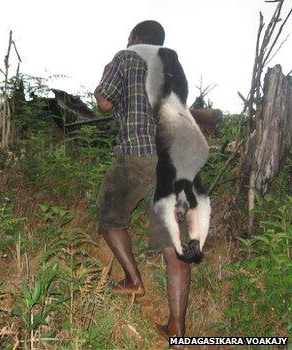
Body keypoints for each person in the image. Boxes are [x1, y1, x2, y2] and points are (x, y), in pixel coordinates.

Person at [94, 20, 191, 340]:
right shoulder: (172, 65)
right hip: (176, 160)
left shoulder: (125, 57)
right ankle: (177, 328)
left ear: (136, 38)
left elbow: (105, 102)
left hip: (138, 152)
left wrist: (106, 75)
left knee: (110, 216)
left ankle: (133, 280)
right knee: (174, 244)